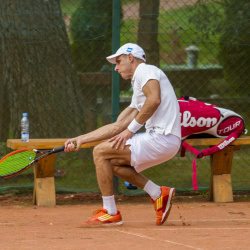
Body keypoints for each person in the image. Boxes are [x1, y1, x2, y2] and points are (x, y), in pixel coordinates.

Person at [64, 43, 181, 227]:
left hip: (162, 138)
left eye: (118, 62)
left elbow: (155, 100)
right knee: (111, 162)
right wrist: (81, 139)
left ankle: (110, 212)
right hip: (163, 141)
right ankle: (159, 194)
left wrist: (130, 131)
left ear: (131, 58)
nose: (116, 67)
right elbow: (118, 126)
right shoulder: (138, 86)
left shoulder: (145, 70)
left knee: (100, 152)